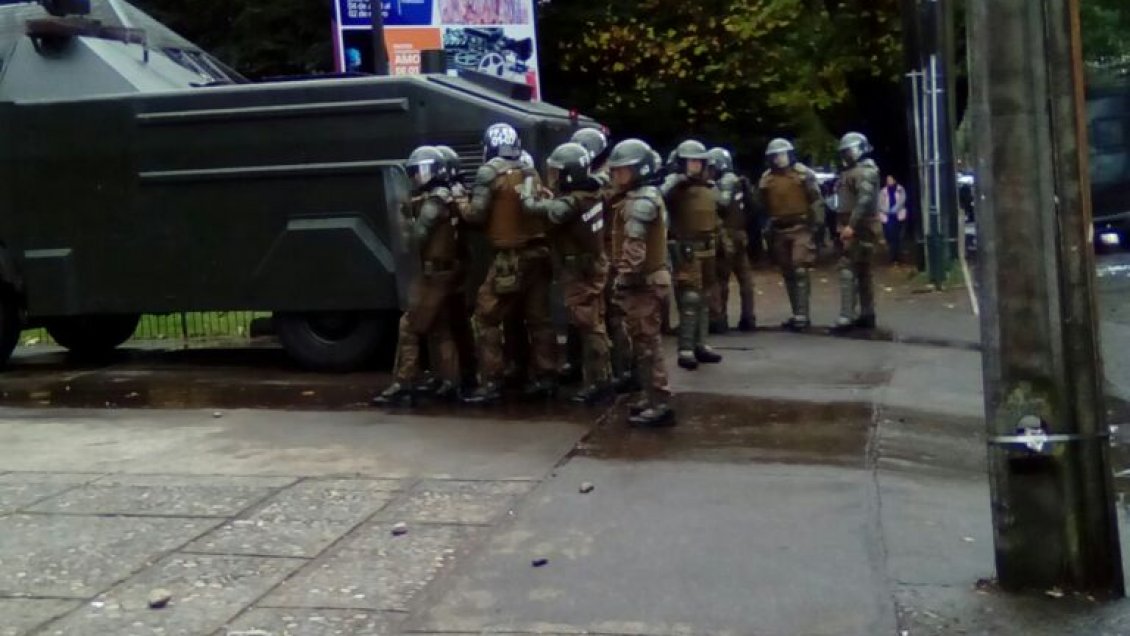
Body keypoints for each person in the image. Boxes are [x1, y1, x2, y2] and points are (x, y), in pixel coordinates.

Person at [461, 123, 556, 404]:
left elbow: (476, 215)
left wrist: (460, 203)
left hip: (510, 258)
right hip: (539, 253)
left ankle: (493, 381)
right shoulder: (529, 169)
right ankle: (545, 377)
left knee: (485, 317)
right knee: (537, 319)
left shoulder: (489, 172)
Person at [520, 142, 613, 405]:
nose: (554, 176)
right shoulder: (593, 192)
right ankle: (596, 378)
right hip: (591, 265)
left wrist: (527, 188)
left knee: (589, 326)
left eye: (557, 172)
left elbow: (536, 209)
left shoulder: (573, 202)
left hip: (581, 270)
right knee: (591, 322)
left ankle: (599, 383)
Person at [373, 146, 462, 406]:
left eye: (420, 171)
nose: (416, 177)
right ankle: (449, 381)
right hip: (445, 271)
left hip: (434, 274)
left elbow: (416, 238)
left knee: (409, 325)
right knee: (440, 328)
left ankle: (405, 382)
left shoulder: (435, 202)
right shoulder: (449, 195)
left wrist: (403, 221)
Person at [606, 139, 675, 427]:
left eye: (623, 170)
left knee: (648, 344)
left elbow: (635, 247)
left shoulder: (640, 203)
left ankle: (660, 402)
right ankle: (650, 395)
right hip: (644, 282)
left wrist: (623, 277)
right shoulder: (639, 197)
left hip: (644, 284)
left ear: (639, 170)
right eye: (615, 170)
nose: (617, 175)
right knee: (642, 342)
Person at [661, 139, 723, 370]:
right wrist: (676, 180)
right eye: (691, 161)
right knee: (690, 297)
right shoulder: (675, 186)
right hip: (686, 248)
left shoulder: (709, 186)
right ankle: (685, 348)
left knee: (705, 296)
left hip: (708, 246)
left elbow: (723, 209)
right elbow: (659, 196)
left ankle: (701, 344)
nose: (695, 165)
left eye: (699, 161)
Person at [759, 138, 824, 331]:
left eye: (782, 155)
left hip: (801, 227)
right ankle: (797, 312)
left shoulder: (803, 175)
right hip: (779, 229)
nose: (779, 159)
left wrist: (817, 225)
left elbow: (816, 200)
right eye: (775, 156)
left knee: (799, 268)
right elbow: (762, 204)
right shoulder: (766, 179)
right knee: (787, 271)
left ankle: (803, 314)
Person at [834, 132, 882, 333]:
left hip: (861, 227)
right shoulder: (853, 172)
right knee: (863, 271)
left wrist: (851, 226)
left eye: (849, 151)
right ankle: (867, 313)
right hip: (858, 225)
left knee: (848, 268)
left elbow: (864, 201)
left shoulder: (864, 172)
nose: (846, 155)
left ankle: (847, 316)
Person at [708, 146, 756, 333]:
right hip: (740, 234)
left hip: (727, 236)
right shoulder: (739, 181)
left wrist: (711, 188)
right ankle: (748, 317)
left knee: (721, 279)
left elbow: (724, 203)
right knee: (745, 278)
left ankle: (720, 318)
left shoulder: (726, 181)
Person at [880, 175, 908, 264]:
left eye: (890, 179)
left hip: (899, 216)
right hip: (887, 218)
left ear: (895, 180)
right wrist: (887, 211)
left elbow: (902, 201)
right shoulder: (883, 191)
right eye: (887, 179)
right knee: (890, 237)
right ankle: (892, 256)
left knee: (898, 237)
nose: (889, 181)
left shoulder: (900, 189)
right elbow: (880, 204)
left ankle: (896, 257)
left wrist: (894, 210)